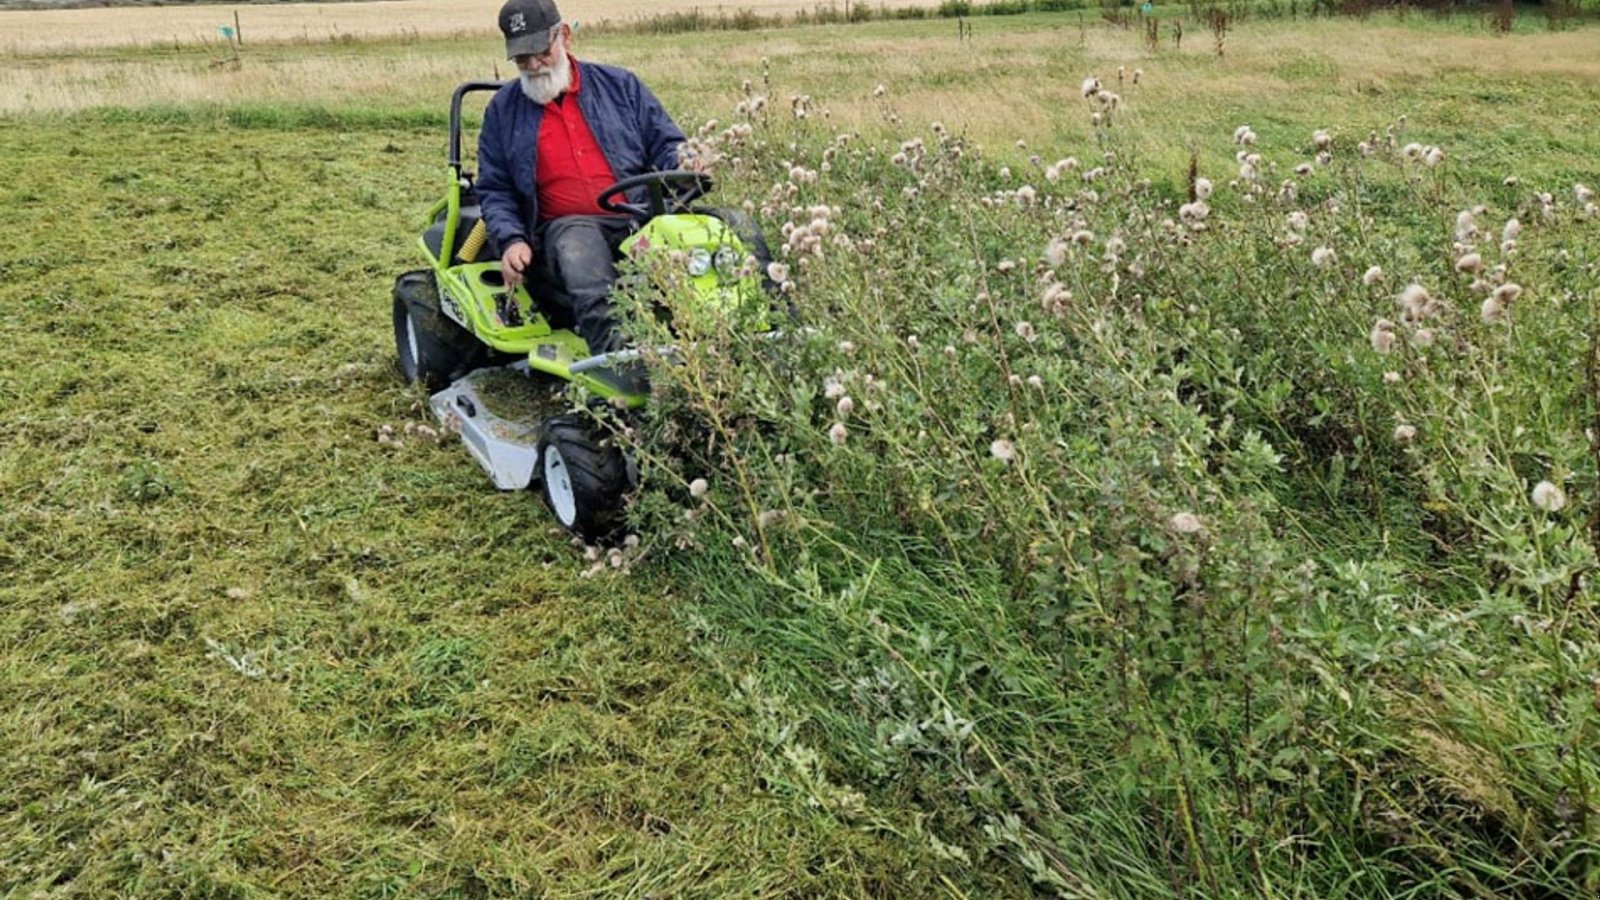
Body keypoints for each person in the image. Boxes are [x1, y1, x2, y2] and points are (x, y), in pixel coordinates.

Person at [476, 0, 689, 359]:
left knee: (730, 227)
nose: (533, 65)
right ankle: (618, 363)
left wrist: (687, 162)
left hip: (641, 216)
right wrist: (511, 239)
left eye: (541, 52)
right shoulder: (503, 110)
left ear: (565, 36)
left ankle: (770, 337)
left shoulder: (621, 86)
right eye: (522, 59)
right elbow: (495, 188)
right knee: (580, 247)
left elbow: (668, 145)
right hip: (563, 230)